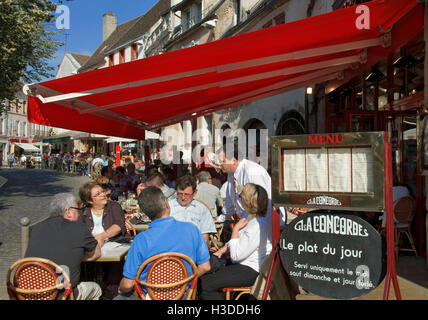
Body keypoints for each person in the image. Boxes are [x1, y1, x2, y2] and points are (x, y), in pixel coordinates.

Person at [115, 186, 211, 299]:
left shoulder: (141, 240)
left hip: (149, 295)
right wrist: (186, 280)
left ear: (145, 213)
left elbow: (127, 284)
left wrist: (120, 289)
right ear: (166, 204)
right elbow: (205, 267)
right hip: (182, 294)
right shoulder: (191, 229)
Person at [198, 183, 272, 300]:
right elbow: (239, 243)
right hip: (242, 265)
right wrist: (223, 249)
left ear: (247, 202)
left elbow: (236, 255)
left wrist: (235, 230)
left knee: (206, 284)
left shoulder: (258, 225)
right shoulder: (252, 218)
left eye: (241, 197)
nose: (239, 199)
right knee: (203, 268)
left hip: (249, 269)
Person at [25, 193, 102, 300]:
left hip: (30, 292)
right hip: (61, 294)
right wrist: (78, 257)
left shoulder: (36, 228)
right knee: (96, 288)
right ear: (69, 212)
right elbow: (97, 253)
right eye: (77, 210)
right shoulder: (79, 228)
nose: (79, 214)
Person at [78, 181, 127, 299]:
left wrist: (101, 236)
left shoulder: (114, 206)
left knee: (114, 273)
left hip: (114, 250)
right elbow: (78, 232)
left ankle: (111, 294)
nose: (103, 195)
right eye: (98, 194)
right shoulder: (83, 213)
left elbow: (119, 225)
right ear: (89, 200)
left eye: (103, 192)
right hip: (91, 253)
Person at [216, 136, 272, 224]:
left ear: (233, 160)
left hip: (263, 222)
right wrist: (221, 218)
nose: (220, 164)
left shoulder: (251, 172)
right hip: (247, 221)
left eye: (222, 161)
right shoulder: (231, 174)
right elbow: (230, 202)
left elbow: (261, 203)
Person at [169, 175, 217, 246]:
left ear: (195, 193)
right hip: (171, 249)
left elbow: (205, 237)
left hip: (194, 249)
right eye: (180, 194)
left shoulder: (202, 209)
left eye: (187, 195)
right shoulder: (168, 207)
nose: (183, 198)